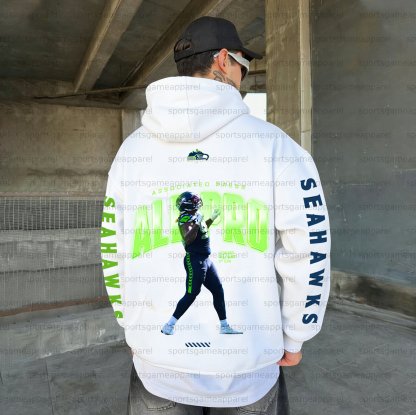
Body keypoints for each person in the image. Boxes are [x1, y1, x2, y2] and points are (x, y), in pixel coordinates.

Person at [100, 16, 331, 415]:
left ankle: (194, 325)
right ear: (224, 60)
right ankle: (180, 322)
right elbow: (309, 247)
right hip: (248, 369)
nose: (244, 74)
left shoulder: (131, 151)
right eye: (244, 63)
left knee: (213, 294)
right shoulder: (275, 146)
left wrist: (132, 326)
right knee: (193, 294)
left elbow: (112, 248)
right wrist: (296, 334)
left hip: (158, 365)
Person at [161, 191, 242, 335]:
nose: (197, 201)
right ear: (188, 205)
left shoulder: (194, 216)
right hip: (194, 260)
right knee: (191, 294)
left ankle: (224, 326)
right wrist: (197, 222)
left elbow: (201, 229)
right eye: (194, 200)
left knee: (218, 290)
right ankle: (169, 325)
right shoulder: (184, 218)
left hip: (206, 260)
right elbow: (188, 238)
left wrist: (211, 219)